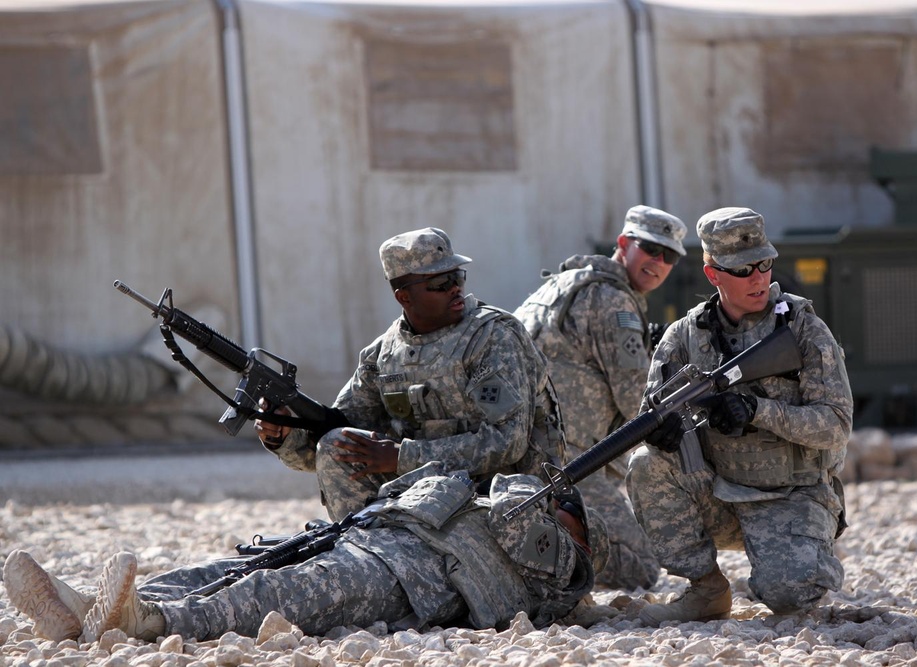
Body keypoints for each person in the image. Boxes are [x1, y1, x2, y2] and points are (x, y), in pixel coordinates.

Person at [3, 462, 608, 643]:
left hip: (414, 576)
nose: (546, 502)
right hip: (372, 535)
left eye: (563, 507)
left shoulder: (559, 566)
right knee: (234, 566)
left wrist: (546, 509)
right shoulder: (483, 494)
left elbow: (563, 571)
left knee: (278, 593)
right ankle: (85, 609)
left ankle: (151, 621)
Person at [626, 206, 853, 624]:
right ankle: (707, 590)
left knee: (789, 595)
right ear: (713, 275)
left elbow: (836, 425)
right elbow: (649, 413)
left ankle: (803, 549)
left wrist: (757, 411)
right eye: (743, 269)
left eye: (764, 264)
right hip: (720, 493)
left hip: (791, 495)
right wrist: (661, 433)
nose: (759, 278)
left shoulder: (802, 330)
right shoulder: (684, 336)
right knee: (645, 464)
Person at [256, 227, 565, 522]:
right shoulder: (382, 356)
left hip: (503, 499)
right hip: (425, 495)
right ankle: (368, 548)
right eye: (440, 283)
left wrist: (404, 457)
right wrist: (285, 434)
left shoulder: (493, 337)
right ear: (404, 297)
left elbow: (508, 442)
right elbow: (343, 445)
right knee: (336, 443)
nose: (455, 287)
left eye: (457, 276)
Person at [513, 205, 687, 590]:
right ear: (623, 244)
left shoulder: (566, 282)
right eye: (650, 249)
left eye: (669, 256)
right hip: (564, 462)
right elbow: (638, 402)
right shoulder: (613, 302)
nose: (658, 262)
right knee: (642, 566)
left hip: (520, 448)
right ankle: (542, 542)